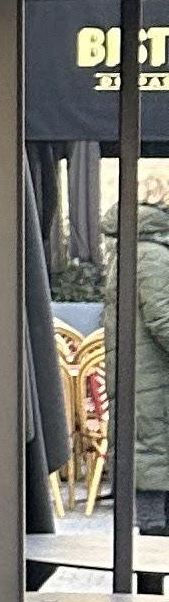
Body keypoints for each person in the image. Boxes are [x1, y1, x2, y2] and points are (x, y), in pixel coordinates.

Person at [112, 164, 169, 536]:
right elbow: (163, 320)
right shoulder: (153, 255)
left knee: (148, 458)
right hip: (153, 385)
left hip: (142, 380)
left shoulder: (135, 249)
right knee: (152, 464)